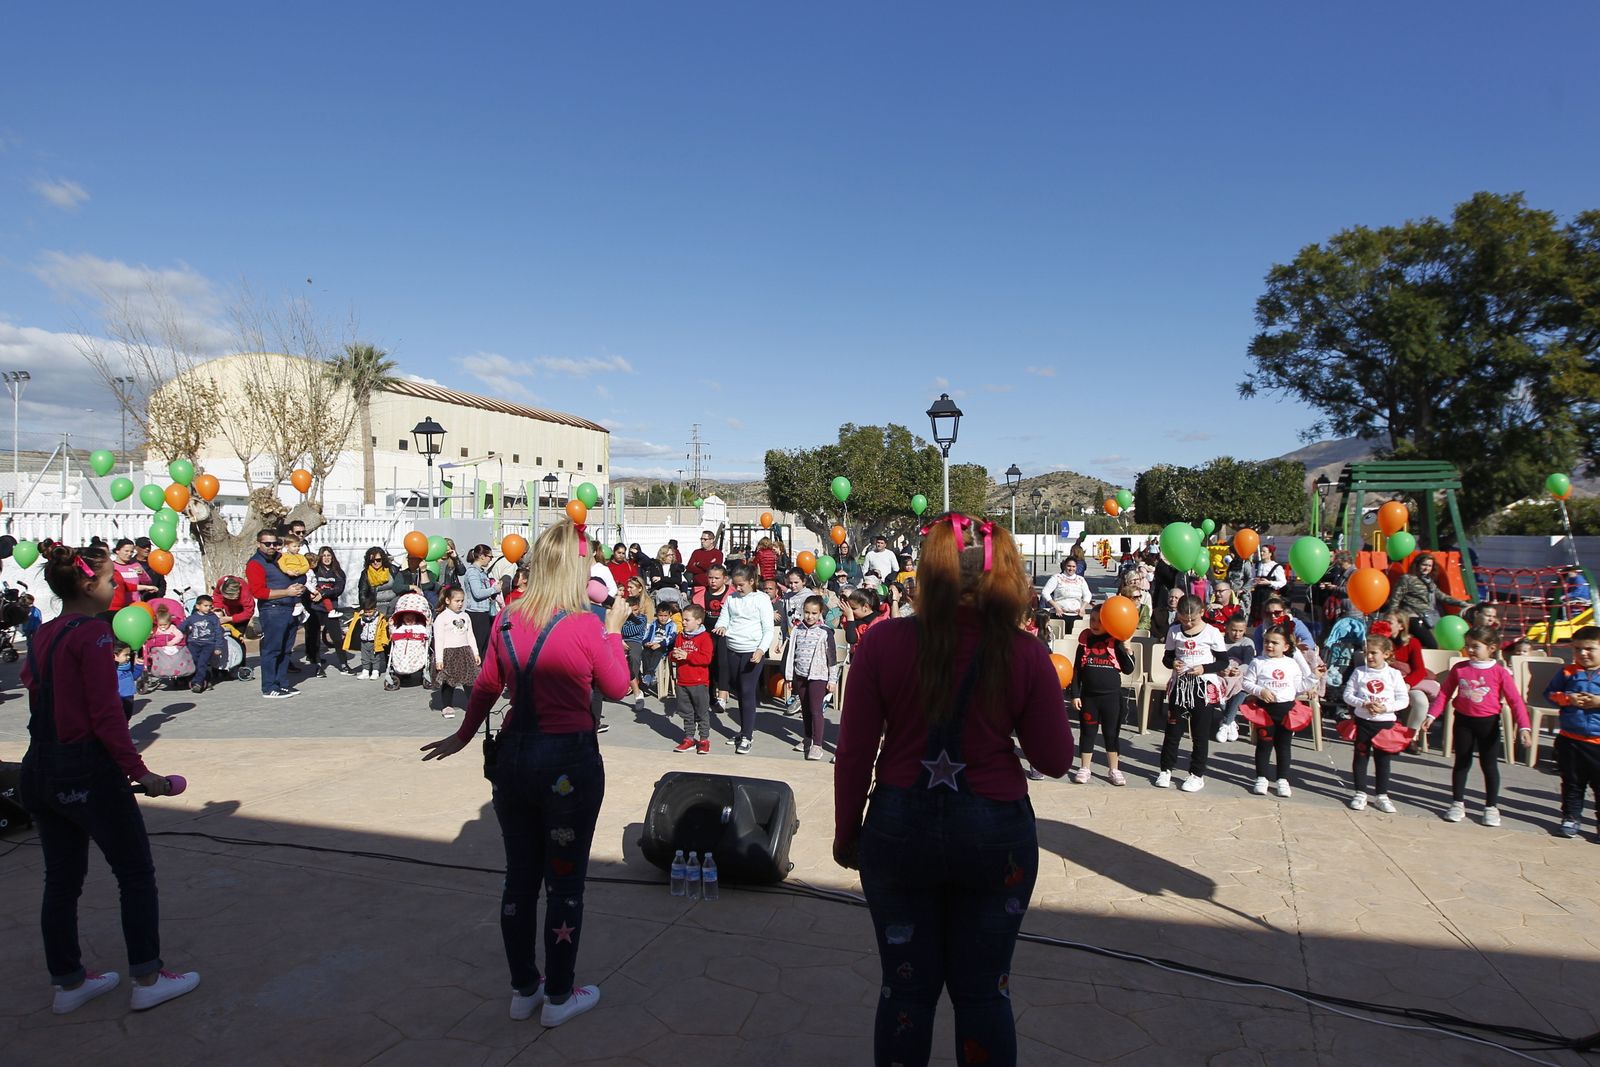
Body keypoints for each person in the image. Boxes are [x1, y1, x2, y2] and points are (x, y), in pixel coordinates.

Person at [833, 512, 1073, 1067]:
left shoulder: (883, 642)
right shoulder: (1025, 652)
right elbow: (1056, 760)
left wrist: (849, 834)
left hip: (898, 831)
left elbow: (854, 753)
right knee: (985, 993)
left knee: (906, 991)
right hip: (995, 835)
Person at [420, 517, 630, 1029]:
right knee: (564, 883)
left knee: (519, 880)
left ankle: (524, 989)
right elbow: (619, 687)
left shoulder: (509, 616)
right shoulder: (586, 623)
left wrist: (463, 736)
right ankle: (559, 996)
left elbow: (487, 686)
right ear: (578, 568)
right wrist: (614, 630)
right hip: (567, 762)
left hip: (512, 758)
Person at [18, 544, 199, 1015]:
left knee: (61, 880)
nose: (117, 587)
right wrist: (141, 773)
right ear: (87, 586)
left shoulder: (44, 634)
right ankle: (147, 976)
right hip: (88, 770)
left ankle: (69, 983)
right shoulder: (94, 636)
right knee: (135, 874)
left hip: (39, 766)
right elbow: (107, 715)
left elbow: (32, 683)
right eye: (110, 582)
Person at [1427, 628, 1531, 827]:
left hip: (1488, 724)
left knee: (1489, 765)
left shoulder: (1500, 671)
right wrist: (1432, 715)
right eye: (1468, 646)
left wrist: (1524, 727)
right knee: (1461, 763)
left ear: (1491, 648)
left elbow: (1515, 700)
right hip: (1464, 722)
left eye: (1476, 646)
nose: (1470, 650)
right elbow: (1444, 693)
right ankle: (1457, 803)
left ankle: (1491, 807)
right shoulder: (1460, 669)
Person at [1157, 594, 1231, 792]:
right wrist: (1172, 663)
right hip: (1180, 686)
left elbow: (1223, 661)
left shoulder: (1212, 633)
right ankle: (1165, 770)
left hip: (1202, 687)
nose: (1188, 623)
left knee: (1199, 733)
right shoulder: (1174, 632)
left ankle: (1196, 774)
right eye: (1183, 619)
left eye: (1192, 619)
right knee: (1173, 731)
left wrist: (1204, 669)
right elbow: (1167, 658)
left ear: (1202, 613)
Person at [1239, 627, 1314, 797]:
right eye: (1267, 641)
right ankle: (1261, 778)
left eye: (1275, 642)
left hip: (1286, 712)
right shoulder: (1258, 662)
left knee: (1284, 747)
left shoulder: (1291, 663)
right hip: (1265, 712)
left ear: (1286, 646)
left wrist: (1314, 677)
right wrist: (1260, 691)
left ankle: (1283, 780)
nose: (1270, 645)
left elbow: (1298, 688)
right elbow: (1246, 683)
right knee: (1264, 745)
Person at [1068, 602, 1135, 786]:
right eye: (1092, 620)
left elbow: (1129, 669)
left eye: (1100, 621)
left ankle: (1114, 769)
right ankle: (1084, 767)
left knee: (1111, 734)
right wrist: (1075, 694)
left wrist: (1127, 647)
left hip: (1111, 698)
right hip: (1089, 697)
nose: (1095, 624)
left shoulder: (1116, 642)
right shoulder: (1084, 642)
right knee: (1088, 732)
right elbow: (1077, 671)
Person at [1343, 635, 1410, 813]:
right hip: (1363, 722)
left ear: (1386, 654)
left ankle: (1382, 795)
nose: (1369, 657)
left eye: (1374, 653)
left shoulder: (1393, 674)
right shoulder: (1360, 672)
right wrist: (1363, 704)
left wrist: (1385, 708)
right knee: (1361, 756)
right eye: (1366, 653)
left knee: (1383, 761)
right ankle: (1360, 792)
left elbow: (1403, 699)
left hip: (1384, 723)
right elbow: (1348, 695)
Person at [1544, 626, 1600, 838]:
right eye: (1577, 649)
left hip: (1597, 742)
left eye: (1589, 649)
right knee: (1572, 783)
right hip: (1570, 740)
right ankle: (1570, 818)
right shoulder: (1567, 671)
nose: (1582, 654)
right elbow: (1550, 694)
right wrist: (1569, 698)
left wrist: (1598, 701)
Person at [713, 564, 773, 754]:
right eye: (735, 585)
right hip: (733, 649)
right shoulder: (731, 598)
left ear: (751, 582)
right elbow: (724, 619)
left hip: (752, 652)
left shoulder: (761, 599)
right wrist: (721, 627)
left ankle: (747, 736)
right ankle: (743, 730)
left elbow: (768, 629)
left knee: (747, 691)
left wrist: (761, 650)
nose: (737, 589)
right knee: (738, 691)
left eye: (741, 585)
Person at [246, 528, 306, 700]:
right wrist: (286, 592)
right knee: (272, 649)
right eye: (267, 543)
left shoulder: (282, 559)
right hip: (273, 609)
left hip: (290, 608)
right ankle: (269, 686)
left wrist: (300, 585)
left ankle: (282, 683)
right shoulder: (255, 563)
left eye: (276, 543)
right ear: (259, 544)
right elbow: (259, 592)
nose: (272, 546)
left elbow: (300, 574)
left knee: (286, 650)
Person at [784, 594, 838, 761]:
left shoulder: (825, 632)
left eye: (814, 613)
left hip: (818, 676)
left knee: (816, 710)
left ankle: (817, 744)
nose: (810, 616)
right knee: (805, 710)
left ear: (820, 613)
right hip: (800, 674)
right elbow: (791, 652)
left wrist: (832, 680)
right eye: (807, 612)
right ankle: (808, 738)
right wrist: (789, 675)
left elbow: (832, 658)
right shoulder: (797, 630)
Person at [1381, 554, 1467, 648]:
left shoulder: (1429, 583)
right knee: (1432, 645)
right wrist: (1393, 617)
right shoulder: (1407, 579)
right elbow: (1395, 599)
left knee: (1432, 644)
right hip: (1412, 617)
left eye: (1429, 566)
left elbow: (1443, 597)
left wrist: (1463, 604)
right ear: (1417, 565)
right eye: (1424, 565)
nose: (1426, 568)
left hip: (1428, 618)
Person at [671, 604, 715, 753]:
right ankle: (689, 738)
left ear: (698, 621)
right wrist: (675, 655)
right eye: (683, 619)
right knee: (686, 712)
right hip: (682, 681)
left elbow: (706, 658)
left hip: (698, 682)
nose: (683, 622)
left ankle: (704, 740)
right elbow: (673, 653)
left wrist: (688, 656)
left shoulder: (705, 638)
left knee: (702, 712)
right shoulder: (680, 636)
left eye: (686, 620)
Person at [431, 586, 481, 719]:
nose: (460, 604)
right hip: (449, 653)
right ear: (447, 600)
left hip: (465, 652)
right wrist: (439, 659)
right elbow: (439, 640)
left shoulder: (465, 616)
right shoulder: (442, 618)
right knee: (449, 681)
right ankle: (447, 705)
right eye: (457, 601)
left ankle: (473, 705)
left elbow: (470, 636)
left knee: (469, 680)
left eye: (462, 601)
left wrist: (475, 653)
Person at [304, 546, 348, 676]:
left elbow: (338, 589)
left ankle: (344, 664)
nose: (326, 558)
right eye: (324, 556)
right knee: (314, 638)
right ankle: (317, 666)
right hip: (315, 608)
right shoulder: (315, 570)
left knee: (337, 638)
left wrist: (323, 593)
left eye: (329, 555)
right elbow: (307, 583)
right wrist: (311, 595)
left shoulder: (338, 572)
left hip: (331, 609)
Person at [178, 595, 225, 693]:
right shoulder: (192, 618)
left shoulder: (213, 618)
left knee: (202, 663)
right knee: (193, 662)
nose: (208, 608)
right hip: (193, 644)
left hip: (208, 644)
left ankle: (198, 683)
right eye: (206, 605)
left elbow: (218, 632)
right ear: (198, 606)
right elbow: (181, 628)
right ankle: (203, 677)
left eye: (210, 606)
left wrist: (218, 647)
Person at [461, 544, 501, 655]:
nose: (490, 560)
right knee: (477, 647)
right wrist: (494, 589)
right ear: (482, 556)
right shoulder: (473, 572)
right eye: (490, 557)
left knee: (485, 647)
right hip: (476, 613)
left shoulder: (482, 572)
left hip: (484, 612)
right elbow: (477, 593)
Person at [1040, 558, 1091, 636]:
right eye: (1069, 566)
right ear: (1064, 566)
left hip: (1076, 615)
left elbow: (1088, 595)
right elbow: (1045, 592)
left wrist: (1083, 608)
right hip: (1060, 615)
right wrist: (1055, 606)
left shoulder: (1081, 580)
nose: (1071, 569)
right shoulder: (1057, 578)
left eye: (1073, 566)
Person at [342, 595, 390, 679]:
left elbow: (383, 630)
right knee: (364, 658)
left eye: (370, 612)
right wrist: (358, 615)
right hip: (364, 641)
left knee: (375, 658)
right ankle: (366, 671)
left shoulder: (380, 619)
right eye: (366, 612)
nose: (367, 614)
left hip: (375, 641)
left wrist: (384, 641)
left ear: (375, 610)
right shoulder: (361, 618)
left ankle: (375, 671)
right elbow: (354, 624)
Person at [357, 546, 407, 617]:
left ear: (383, 559)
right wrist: (364, 607)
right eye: (372, 561)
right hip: (376, 605)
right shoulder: (365, 574)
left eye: (378, 560)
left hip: (394, 603)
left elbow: (401, 586)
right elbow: (362, 593)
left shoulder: (393, 570)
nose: (375, 562)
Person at [640, 602, 677, 697]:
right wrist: (646, 643)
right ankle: (649, 676)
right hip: (652, 645)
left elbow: (671, 638)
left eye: (665, 616)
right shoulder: (653, 624)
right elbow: (647, 635)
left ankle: (649, 674)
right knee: (645, 653)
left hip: (664, 647)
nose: (663, 618)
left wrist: (659, 644)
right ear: (657, 615)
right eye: (660, 615)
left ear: (670, 615)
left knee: (657, 652)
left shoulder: (672, 625)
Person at [113, 642, 142, 720]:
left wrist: (139, 666)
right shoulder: (111, 670)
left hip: (129, 697)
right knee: (118, 719)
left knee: (127, 717)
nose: (128, 657)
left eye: (129, 654)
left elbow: (134, 676)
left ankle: (124, 730)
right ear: (114, 656)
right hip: (118, 698)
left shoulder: (127, 666)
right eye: (125, 655)